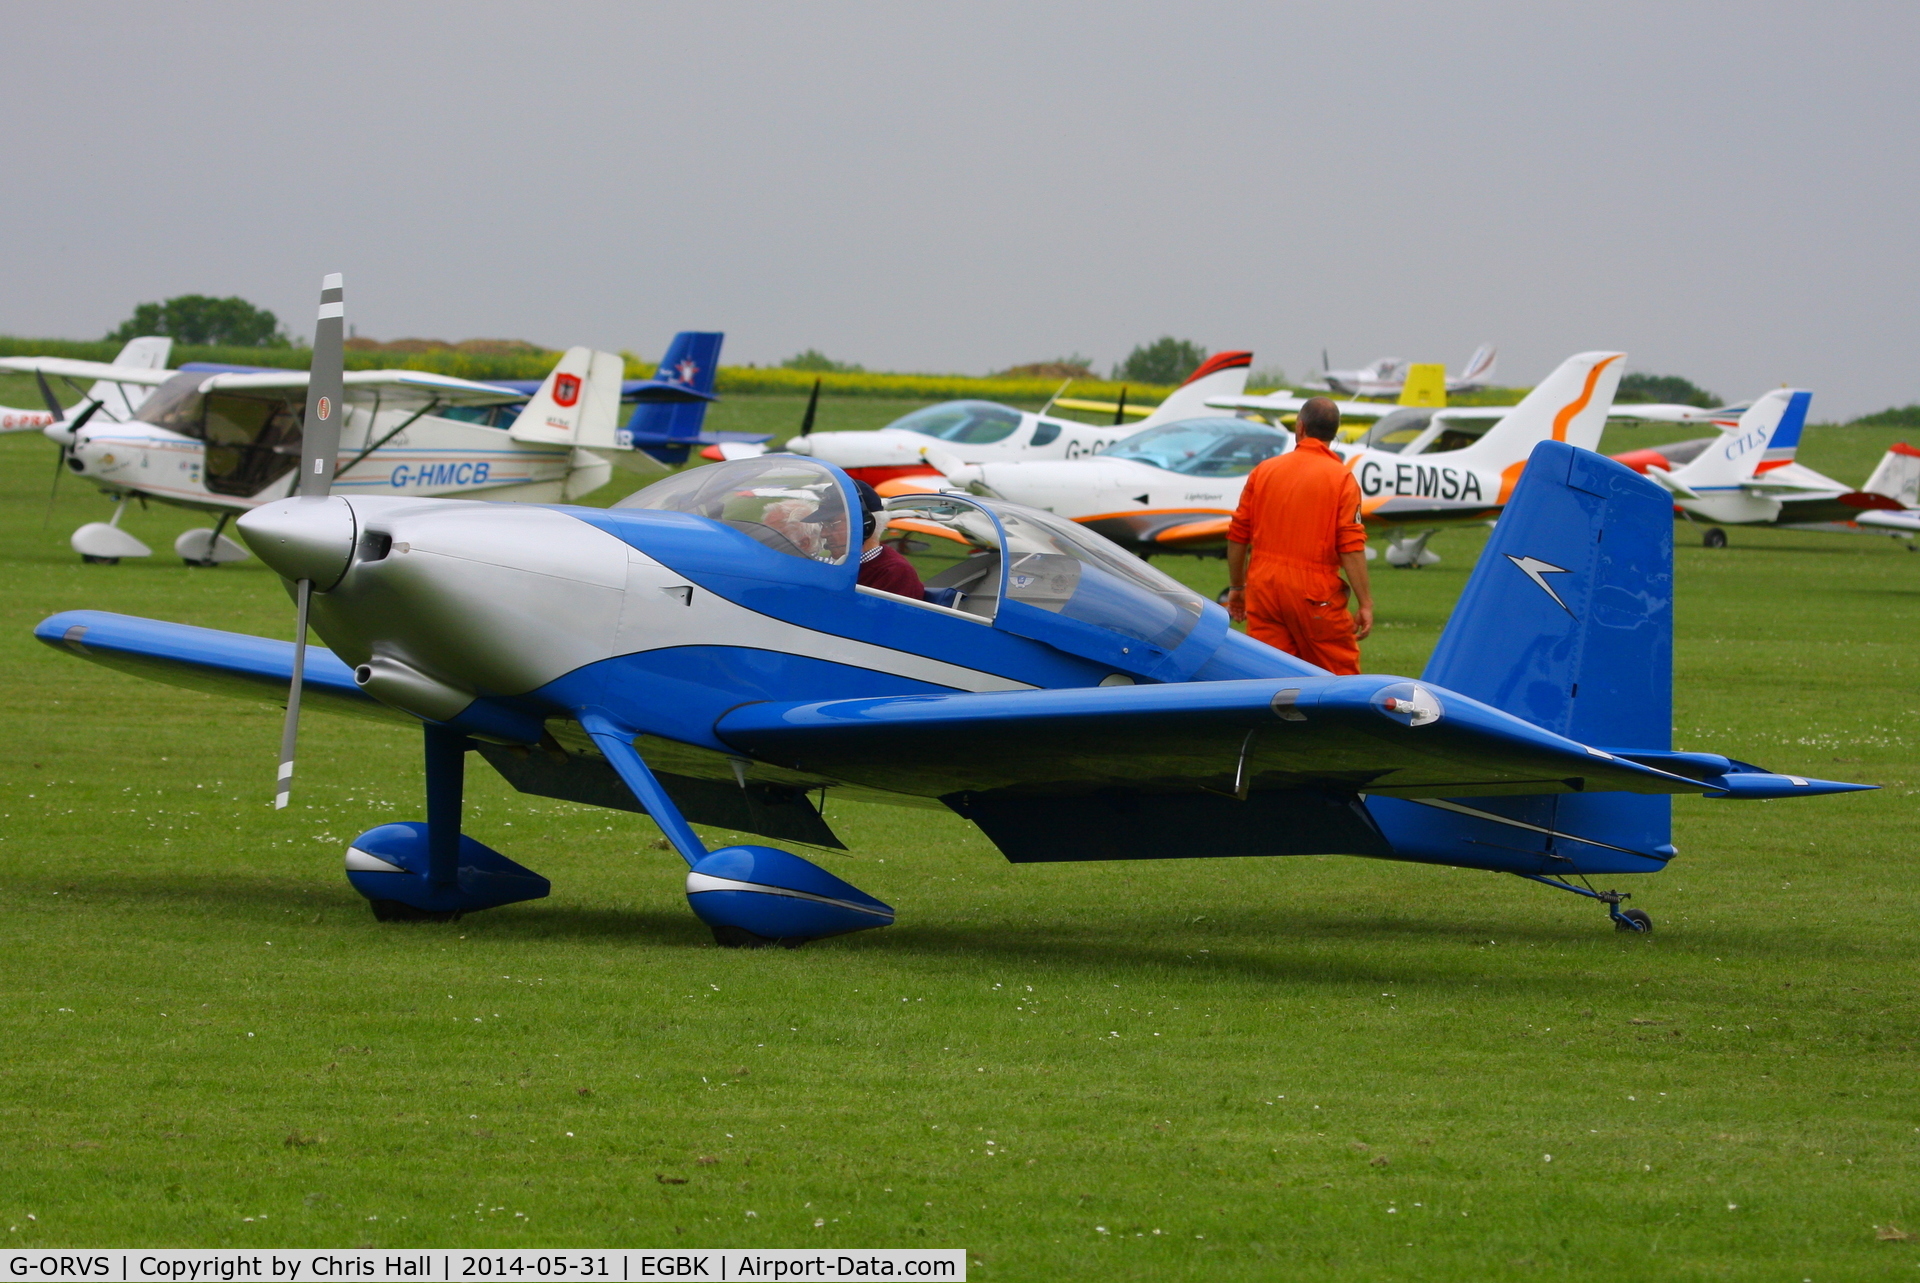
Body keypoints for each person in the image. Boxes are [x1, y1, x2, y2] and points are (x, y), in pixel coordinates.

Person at [1224, 397, 1373, 674]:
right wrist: (1365, 603)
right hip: (1314, 593)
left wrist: (1237, 587)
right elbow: (1350, 546)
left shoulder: (1264, 471)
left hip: (1263, 586)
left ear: (1300, 428)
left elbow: (1238, 534)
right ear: (1334, 433)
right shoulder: (1341, 479)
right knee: (1337, 679)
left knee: (1268, 676)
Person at [852, 479, 926, 598]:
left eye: (832, 524)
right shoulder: (839, 564)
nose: (824, 533)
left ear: (865, 526)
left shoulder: (895, 573)